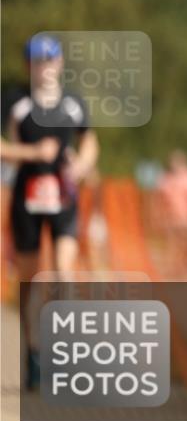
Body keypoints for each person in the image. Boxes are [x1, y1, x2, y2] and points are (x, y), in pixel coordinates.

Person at [6, 34, 99, 390]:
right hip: (26, 198)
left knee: (63, 270)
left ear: (60, 63)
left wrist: (83, 165)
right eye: (38, 61)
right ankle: (33, 352)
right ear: (29, 65)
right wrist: (31, 154)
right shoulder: (15, 101)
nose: (45, 68)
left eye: (51, 60)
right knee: (30, 283)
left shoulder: (73, 102)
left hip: (63, 195)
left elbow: (89, 139)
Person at [156, 149, 187, 278]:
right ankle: (176, 271)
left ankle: (186, 270)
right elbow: (162, 197)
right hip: (174, 219)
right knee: (175, 246)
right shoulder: (168, 178)